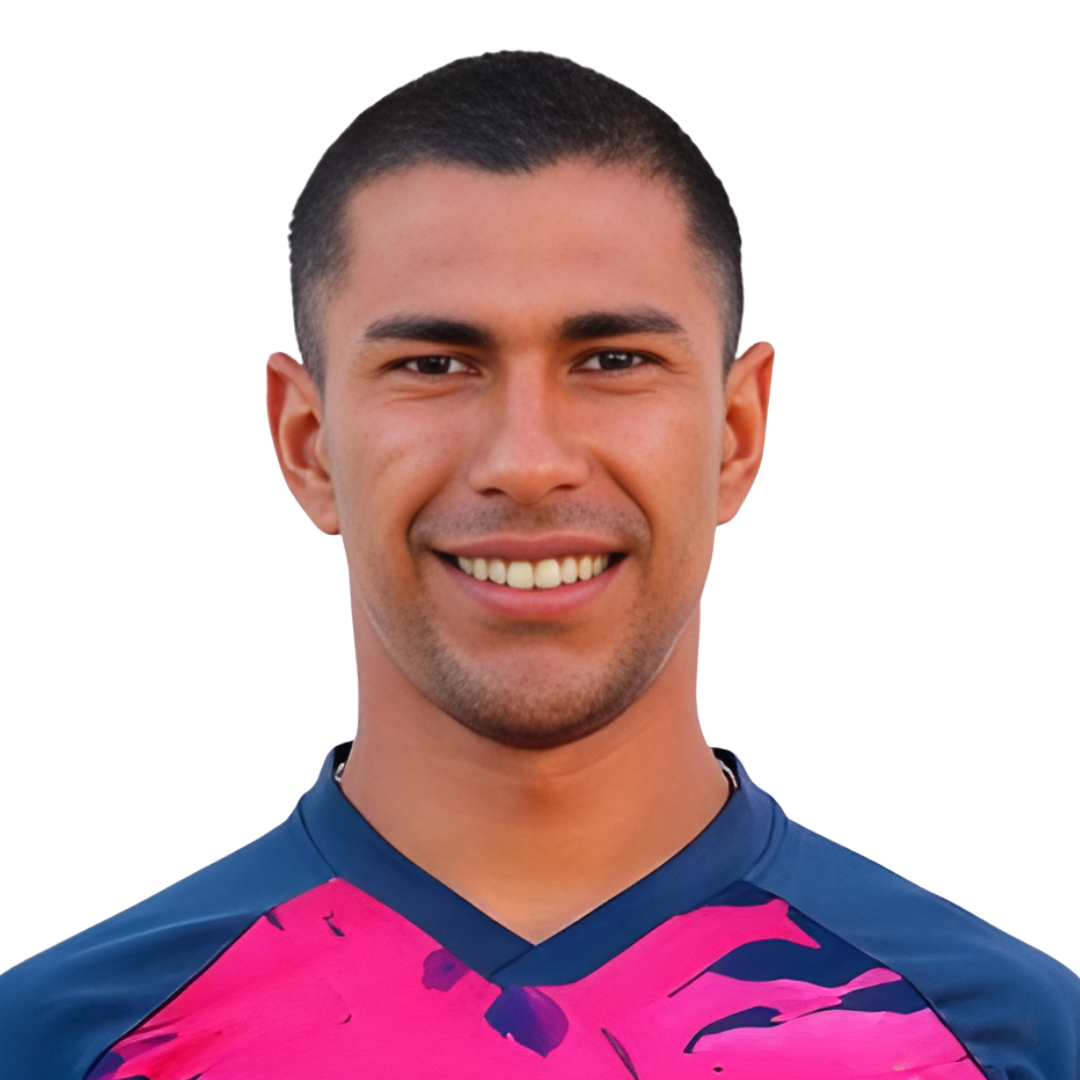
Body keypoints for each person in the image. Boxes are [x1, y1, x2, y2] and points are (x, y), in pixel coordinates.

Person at [2, 51, 1076, 1080]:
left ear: (737, 436)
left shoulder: (1011, 1038)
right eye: (435, 363)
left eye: (613, 360)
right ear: (307, 445)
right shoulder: (60, 1044)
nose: (526, 461)